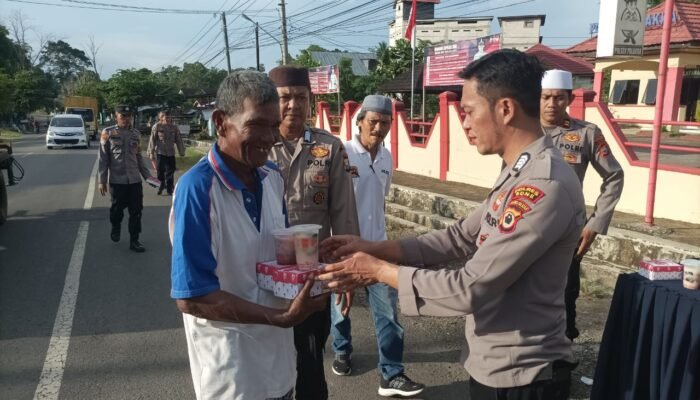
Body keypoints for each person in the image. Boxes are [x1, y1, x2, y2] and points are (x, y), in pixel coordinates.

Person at [319, 50, 586, 400]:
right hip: (495, 362)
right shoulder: (518, 170)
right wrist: (371, 248)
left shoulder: (542, 186)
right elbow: (460, 237)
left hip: (523, 374)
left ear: (505, 109)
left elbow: (469, 288)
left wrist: (379, 271)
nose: (465, 123)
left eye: (470, 111)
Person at [169, 70, 329, 400]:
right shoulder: (198, 190)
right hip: (232, 376)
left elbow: (277, 258)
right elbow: (191, 296)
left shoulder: (271, 178)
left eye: (274, 126)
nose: (270, 138)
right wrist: (281, 316)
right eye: (257, 124)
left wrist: (318, 269)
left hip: (280, 366)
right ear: (220, 121)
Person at [267, 65, 360, 400]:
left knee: (309, 360)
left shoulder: (329, 147)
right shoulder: (258, 145)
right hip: (265, 276)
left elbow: (344, 213)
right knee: (267, 361)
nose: (293, 105)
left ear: (311, 101)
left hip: (311, 277)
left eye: (301, 97)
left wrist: (347, 272)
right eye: (285, 98)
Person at [330, 94, 424, 397]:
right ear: (359, 122)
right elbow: (332, 203)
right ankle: (342, 350)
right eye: (373, 121)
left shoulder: (387, 157)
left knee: (388, 312)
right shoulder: (341, 153)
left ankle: (391, 374)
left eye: (385, 123)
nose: (379, 128)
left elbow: (379, 200)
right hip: (343, 247)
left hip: (378, 247)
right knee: (341, 307)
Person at [540, 69, 625, 340]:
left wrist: (596, 224)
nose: (551, 104)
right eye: (545, 97)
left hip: (568, 231)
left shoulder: (587, 133)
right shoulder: (521, 131)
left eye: (558, 98)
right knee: (521, 291)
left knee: (565, 295)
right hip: (525, 226)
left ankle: (561, 364)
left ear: (569, 99)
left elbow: (614, 175)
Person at [98, 105, 152, 253]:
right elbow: (103, 159)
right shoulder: (107, 133)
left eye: (128, 116)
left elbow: (139, 157)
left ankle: (134, 240)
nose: (126, 119)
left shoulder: (136, 134)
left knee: (136, 211)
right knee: (117, 210)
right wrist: (102, 180)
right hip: (117, 180)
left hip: (134, 181)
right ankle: (116, 226)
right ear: (116, 116)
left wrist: (148, 177)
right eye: (123, 116)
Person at [147, 110, 186, 195]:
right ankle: (161, 185)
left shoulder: (174, 128)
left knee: (170, 170)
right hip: (161, 152)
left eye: (168, 117)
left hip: (171, 153)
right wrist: (151, 152)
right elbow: (152, 140)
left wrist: (181, 151)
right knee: (160, 171)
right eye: (164, 117)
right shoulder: (157, 126)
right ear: (160, 118)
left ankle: (169, 188)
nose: (166, 119)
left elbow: (179, 140)